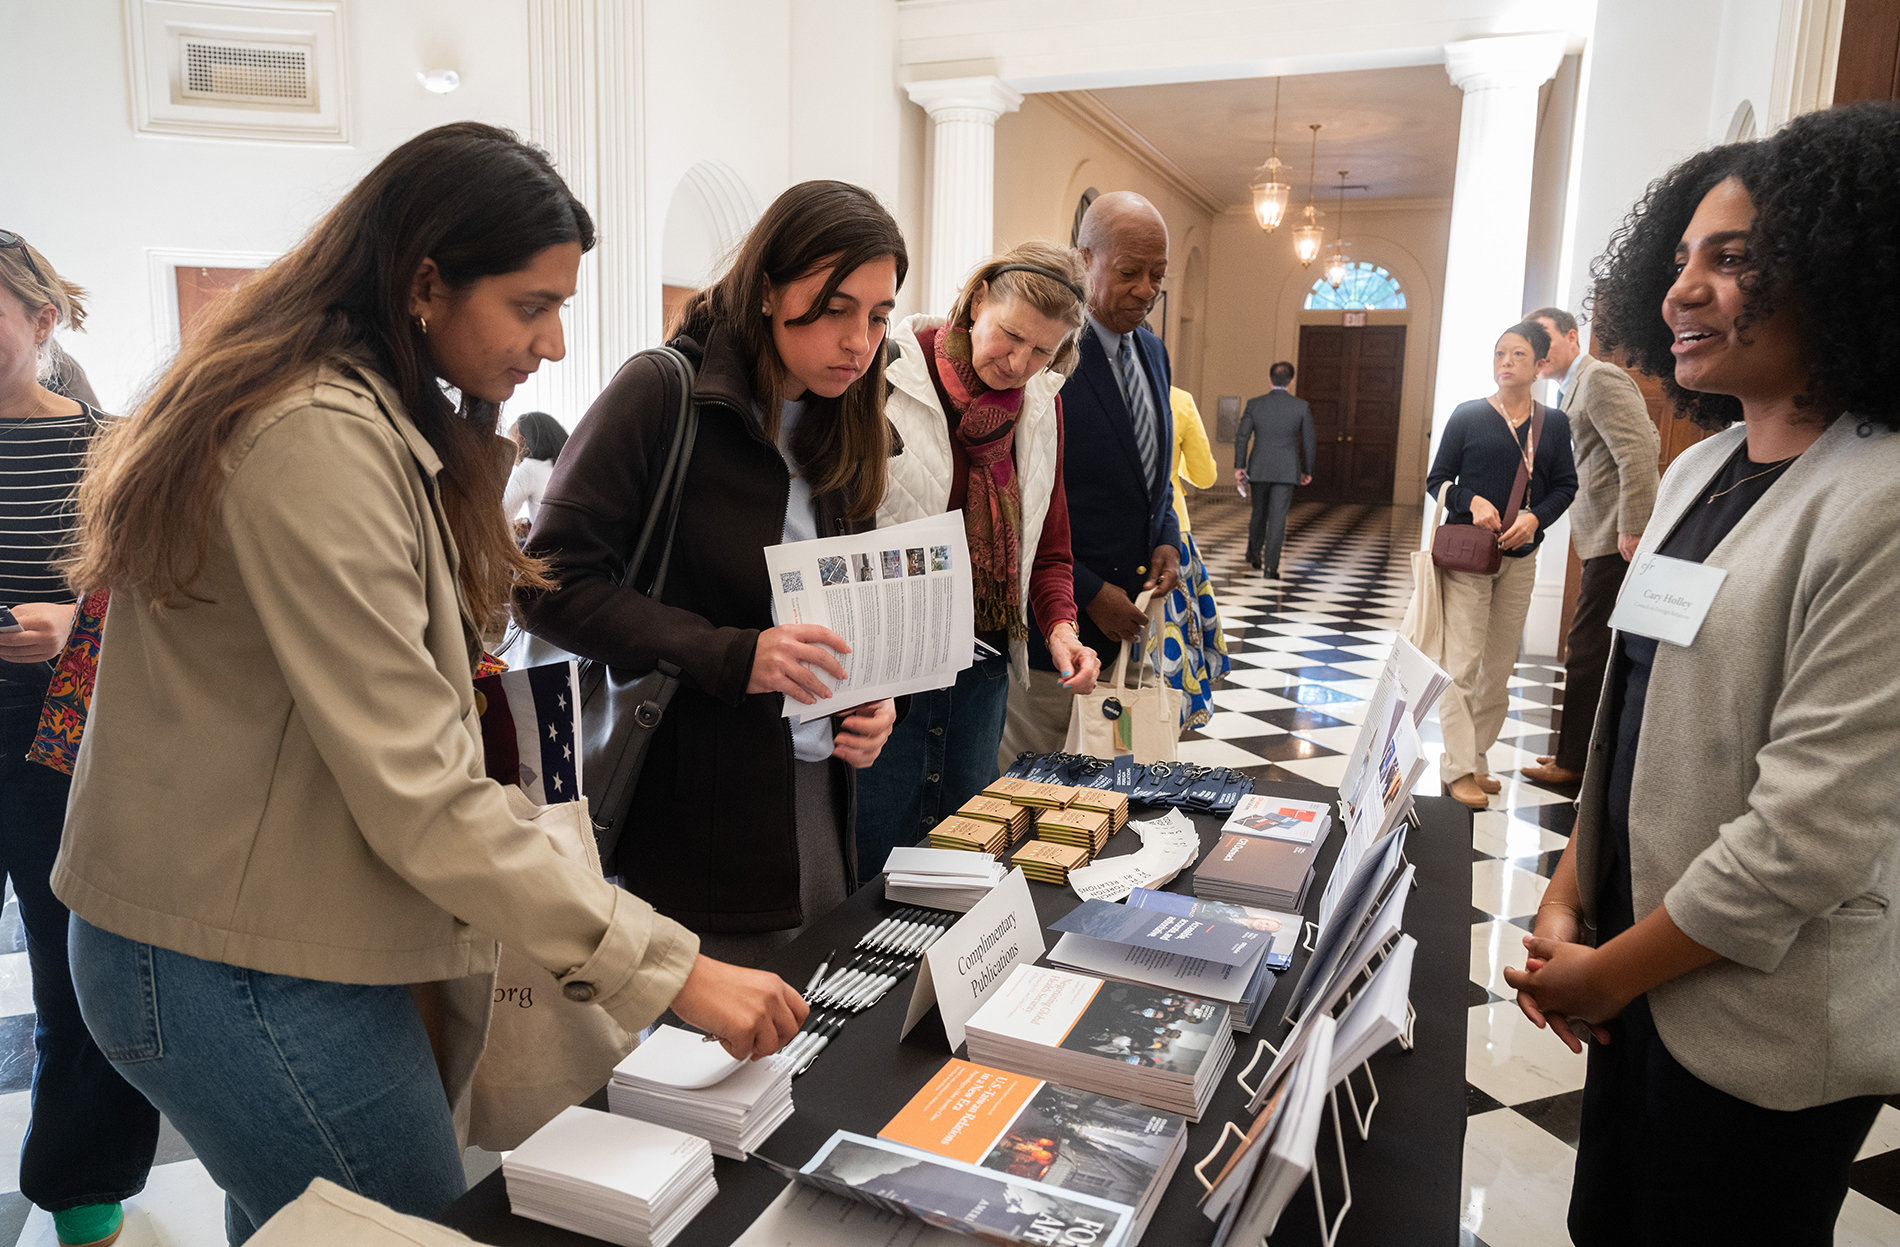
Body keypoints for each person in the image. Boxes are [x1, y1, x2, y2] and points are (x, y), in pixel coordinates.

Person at [56, 124, 807, 1243]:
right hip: (230, 960)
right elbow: (424, 787)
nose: (555, 342)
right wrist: (674, 968)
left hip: (256, 934)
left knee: (299, 1222)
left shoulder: (362, 418)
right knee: (405, 1222)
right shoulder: (314, 437)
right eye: (529, 305)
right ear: (422, 285)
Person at [1504, 104, 1900, 1247]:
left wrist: (1607, 971)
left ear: (1840, 266)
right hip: (1634, 966)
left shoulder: (1875, 503)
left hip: (1755, 1016)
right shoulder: (1702, 469)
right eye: (1677, 260)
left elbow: (1807, 836)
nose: (1682, 291)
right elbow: (1630, 717)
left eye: (1730, 261)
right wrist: (1570, 893)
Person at [520, 180, 902, 965]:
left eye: (878, 315)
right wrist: (737, 654)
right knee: (707, 1064)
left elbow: (833, 595)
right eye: (835, 308)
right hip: (690, 804)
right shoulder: (664, 390)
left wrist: (871, 693)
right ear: (767, 289)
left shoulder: (850, 418)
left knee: (812, 1048)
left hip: (817, 792)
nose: (859, 341)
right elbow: (546, 583)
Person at [0, 232, 159, 1247]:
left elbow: (161, 596)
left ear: (42, 321)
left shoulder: (115, 445)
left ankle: (84, 1200)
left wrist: (78, 627)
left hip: (65, 746)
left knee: (75, 971)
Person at [854, 242, 1100, 868]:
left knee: (961, 859)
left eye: (1043, 350)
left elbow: (1049, 547)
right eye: (1009, 336)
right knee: (874, 857)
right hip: (892, 677)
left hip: (983, 671)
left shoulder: (1044, 407)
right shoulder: (883, 377)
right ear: (975, 301)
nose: (1019, 363)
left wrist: (1063, 629)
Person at [998, 191, 1181, 764]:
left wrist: (1166, 537)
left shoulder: (1152, 350)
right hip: (1057, 626)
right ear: (1085, 261)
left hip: (1127, 625)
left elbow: (1152, 473)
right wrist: (1090, 591)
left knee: (1105, 785)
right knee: (1036, 781)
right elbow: (1015, 503)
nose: (1147, 289)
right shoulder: (1045, 357)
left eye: (1158, 275)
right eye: (1130, 272)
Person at [1424, 320, 1577, 811]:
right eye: (1498, 354)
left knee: (1498, 667)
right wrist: (1471, 502)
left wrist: (1536, 518)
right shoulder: (1468, 415)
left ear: (1539, 365)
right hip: (1469, 558)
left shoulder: (1553, 424)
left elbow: (1565, 487)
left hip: (1521, 558)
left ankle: (1479, 756)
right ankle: (1459, 769)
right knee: (1462, 666)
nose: (1505, 362)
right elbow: (1438, 481)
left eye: (1516, 354)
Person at [1517, 307, 1659, 787]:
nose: (1536, 347)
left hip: (1616, 540)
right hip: (1599, 536)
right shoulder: (1568, 388)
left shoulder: (1599, 379)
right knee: (1590, 648)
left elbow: (1638, 449)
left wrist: (1634, 526)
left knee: (1586, 649)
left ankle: (1575, 762)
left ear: (1573, 337)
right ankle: (1576, 755)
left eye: (1544, 337)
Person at [1155, 386, 1228, 729]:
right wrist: (1175, 467)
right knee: (1175, 638)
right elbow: (1205, 476)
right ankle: (1169, 715)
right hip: (1172, 532)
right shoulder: (1178, 399)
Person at [1233, 361, 1314, 577]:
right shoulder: (1301, 406)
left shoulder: (1255, 404)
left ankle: (1254, 554)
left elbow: (1242, 437)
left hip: (1259, 467)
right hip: (1287, 470)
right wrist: (1307, 470)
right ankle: (1271, 567)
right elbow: (1309, 442)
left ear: (1269, 379)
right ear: (1291, 381)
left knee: (1258, 512)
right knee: (1278, 518)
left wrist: (1240, 466)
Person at [502, 410, 568, 536]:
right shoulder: (568, 466)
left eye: (515, 440)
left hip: (549, 550)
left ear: (528, 439)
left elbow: (502, 515)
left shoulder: (530, 468)